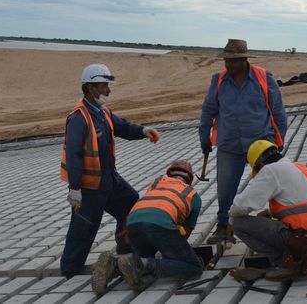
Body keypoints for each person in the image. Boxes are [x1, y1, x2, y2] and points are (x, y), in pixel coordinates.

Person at [60, 63, 160, 279]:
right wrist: (74, 188)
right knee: (84, 227)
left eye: (107, 85)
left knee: (130, 201)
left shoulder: (102, 112)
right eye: (104, 85)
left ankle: (125, 246)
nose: (108, 90)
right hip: (89, 187)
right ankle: (69, 270)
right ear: (90, 88)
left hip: (109, 179)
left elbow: (122, 126)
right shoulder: (79, 118)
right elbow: (74, 155)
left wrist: (144, 131)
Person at [199, 39, 287, 244]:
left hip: (261, 146)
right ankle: (223, 228)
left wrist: (277, 142)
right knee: (225, 190)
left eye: (233, 62)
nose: (228, 66)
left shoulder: (264, 79)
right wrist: (204, 139)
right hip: (229, 145)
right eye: (226, 61)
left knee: (273, 186)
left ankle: (280, 225)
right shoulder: (218, 81)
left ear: (244, 60)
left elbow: (278, 112)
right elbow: (208, 111)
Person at [229, 140, 307, 281]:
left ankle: (287, 264)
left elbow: (240, 207)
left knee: (239, 224)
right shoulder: (298, 168)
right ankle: (296, 259)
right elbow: (299, 203)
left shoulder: (270, 170)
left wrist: (229, 221)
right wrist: (270, 213)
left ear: (261, 165)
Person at [113, 160, 203, 292]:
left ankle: (115, 266)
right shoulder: (192, 194)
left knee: (140, 261)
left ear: (169, 174)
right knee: (194, 268)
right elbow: (186, 232)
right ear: (189, 179)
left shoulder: (156, 183)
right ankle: (144, 264)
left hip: (132, 224)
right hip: (159, 224)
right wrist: (172, 252)